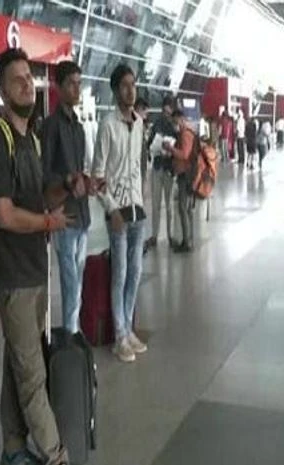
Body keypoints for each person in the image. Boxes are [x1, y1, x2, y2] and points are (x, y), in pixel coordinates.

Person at [0, 48, 72, 465]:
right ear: (1, 91)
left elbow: (39, 199)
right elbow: (3, 213)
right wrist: (48, 223)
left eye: (29, 78)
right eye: (16, 80)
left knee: (21, 359)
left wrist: (70, 185)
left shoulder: (30, 138)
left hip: (34, 270)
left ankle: (14, 446)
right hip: (13, 274)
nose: (26, 85)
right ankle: (55, 455)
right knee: (33, 372)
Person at [92, 64, 149, 363]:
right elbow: (98, 174)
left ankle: (128, 328)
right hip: (118, 212)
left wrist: (142, 199)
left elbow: (137, 166)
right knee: (120, 273)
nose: (130, 90)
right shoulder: (108, 125)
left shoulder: (139, 124)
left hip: (137, 209)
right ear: (115, 90)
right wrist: (111, 208)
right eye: (125, 85)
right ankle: (119, 336)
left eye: (133, 85)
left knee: (135, 273)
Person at [42, 60, 92, 335]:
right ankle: (72, 336)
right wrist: (67, 181)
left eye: (79, 83)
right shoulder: (51, 127)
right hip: (64, 215)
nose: (76, 89)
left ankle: (74, 331)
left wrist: (87, 182)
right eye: (71, 84)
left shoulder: (79, 128)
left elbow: (79, 169)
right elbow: (46, 172)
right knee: (71, 283)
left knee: (78, 281)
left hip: (81, 214)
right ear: (58, 87)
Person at [144, 96, 178, 251]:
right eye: (164, 111)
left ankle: (170, 235)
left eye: (168, 112)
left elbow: (179, 146)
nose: (166, 114)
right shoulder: (157, 124)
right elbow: (149, 143)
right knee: (156, 204)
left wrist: (171, 150)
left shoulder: (175, 127)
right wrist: (154, 148)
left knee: (169, 204)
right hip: (157, 166)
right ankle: (154, 235)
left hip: (169, 169)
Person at [163, 110, 195, 253]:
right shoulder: (187, 131)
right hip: (188, 173)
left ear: (181, 119)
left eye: (176, 122)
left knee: (183, 208)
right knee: (187, 209)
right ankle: (189, 239)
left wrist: (171, 149)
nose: (175, 125)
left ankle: (186, 242)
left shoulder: (185, 134)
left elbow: (184, 154)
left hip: (185, 174)